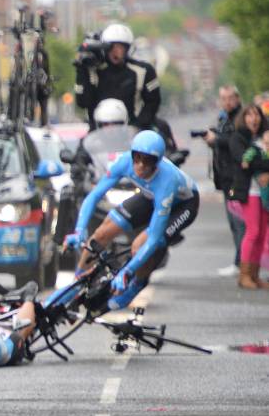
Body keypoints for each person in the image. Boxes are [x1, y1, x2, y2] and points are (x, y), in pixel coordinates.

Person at [65, 130, 199, 311]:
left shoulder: (167, 181)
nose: (141, 166)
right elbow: (94, 196)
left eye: (148, 161)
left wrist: (127, 272)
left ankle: (137, 283)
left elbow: (152, 238)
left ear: (157, 163)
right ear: (132, 154)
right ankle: (78, 279)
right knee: (102, 233)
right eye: (137, 158)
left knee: (141, 245)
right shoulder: (124, 161)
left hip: (183, 205)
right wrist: (79, 230)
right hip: (150, 196)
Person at [75, 23, 161, 130]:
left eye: (120, 47)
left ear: (128, 48)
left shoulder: (143, 70)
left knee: (161, 131)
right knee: (81, 146)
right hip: (99, 134)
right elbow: (83, 102)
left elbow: (153, 102)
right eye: (112, 47)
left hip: (133, 133)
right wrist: (82, 70)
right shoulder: (93, 70)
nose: (116, 52)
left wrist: (138, 127)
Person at [203, 86, 244, 277]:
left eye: (230, 98)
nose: (227, 102)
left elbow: (236, 141)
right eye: (223, 98)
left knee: (239, 222)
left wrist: (217, 139)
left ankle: (242, 262)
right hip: (225, 177)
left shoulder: (242, 117)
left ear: (237, 98)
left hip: (236, 177)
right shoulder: (223, 118)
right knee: (233, 222)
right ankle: (241, 261)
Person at [228, 104, 269, 289]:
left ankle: (255, 274)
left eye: (257, 115)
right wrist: (261, 164)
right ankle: (243, 274)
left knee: (261, 233)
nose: (254, 119)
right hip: (250, 191)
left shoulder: (263, 137)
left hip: (265, 192)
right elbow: (244, 160)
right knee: (252, 231)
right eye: (249, 115)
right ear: (243, 119)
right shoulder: (238, 138)